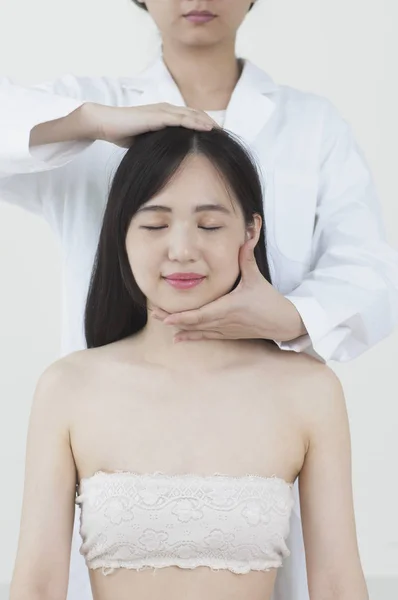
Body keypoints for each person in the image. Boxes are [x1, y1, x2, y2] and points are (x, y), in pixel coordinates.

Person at [0, 1, 397, 599]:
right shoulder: (68, 389)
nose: (181, 251)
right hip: (111, 458)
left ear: (249, 231)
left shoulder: (312, 125)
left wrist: (286, 317)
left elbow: (368, 273)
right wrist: (91, 121)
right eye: (154, 224)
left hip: (256, 450)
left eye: (210, 225)